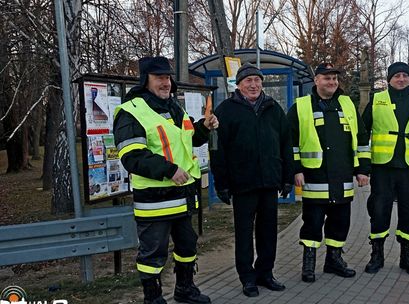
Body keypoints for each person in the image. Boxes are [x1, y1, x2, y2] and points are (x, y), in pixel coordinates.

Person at [113, 56, 218, 304]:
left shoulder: (173, 107)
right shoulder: (131, 111)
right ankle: (153, 298)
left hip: (182, 196)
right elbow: (132, 157)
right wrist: (169, 170)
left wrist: (203, 127)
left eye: (167, 77)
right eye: (158, 77)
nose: (166, 82)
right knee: (152, 254)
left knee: (187, 246)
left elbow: (186, 140)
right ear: (145, 80)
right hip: (154, 200)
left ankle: (184, 288)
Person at [210, 63, 294, 298]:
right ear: (238, 85)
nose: (254, 85)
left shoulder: (273, 109)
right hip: (242, 184)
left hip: (269, 183)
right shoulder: (225, 110)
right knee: (244, 234)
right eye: (248, 81)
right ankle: (247, 278)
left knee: (269, 233)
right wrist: (222, 183)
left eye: (257, 80)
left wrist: (287, 177)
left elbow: (286, 144)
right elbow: (218, 150)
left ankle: (265, 273)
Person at [287, 63, 371, 283]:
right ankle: (309, 264)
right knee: (312, 223)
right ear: (316, 81)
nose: (332, 82)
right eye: (327, 78)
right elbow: (290, 143)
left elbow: (361, 139)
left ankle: (334, 261)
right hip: (314, 178)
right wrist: (296, 169)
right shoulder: (301, 106)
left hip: (342, 177)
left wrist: (363, 169)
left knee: (340, 222)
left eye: (335, 78)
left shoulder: (347, 104)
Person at [362, 61, 409, 276]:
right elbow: (362, 132)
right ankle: (376, 255)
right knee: (379, 211)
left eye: (405, 75)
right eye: (396, 75)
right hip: (383, 167)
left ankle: (407, 256)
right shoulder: (377, 100)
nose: (401, 79)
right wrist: (362, 164)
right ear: (389, 79)